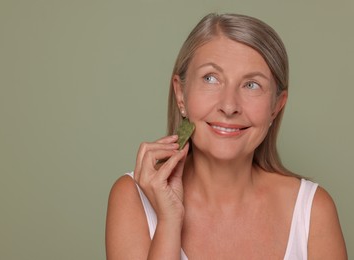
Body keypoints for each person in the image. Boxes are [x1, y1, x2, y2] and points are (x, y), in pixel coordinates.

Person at [105, 13, 347, 259]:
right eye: (211, 78)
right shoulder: (132, 198)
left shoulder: (313, 210)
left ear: (277, 106)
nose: (229, 106)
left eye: (251, 84)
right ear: (181, 95)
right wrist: (169, 222)